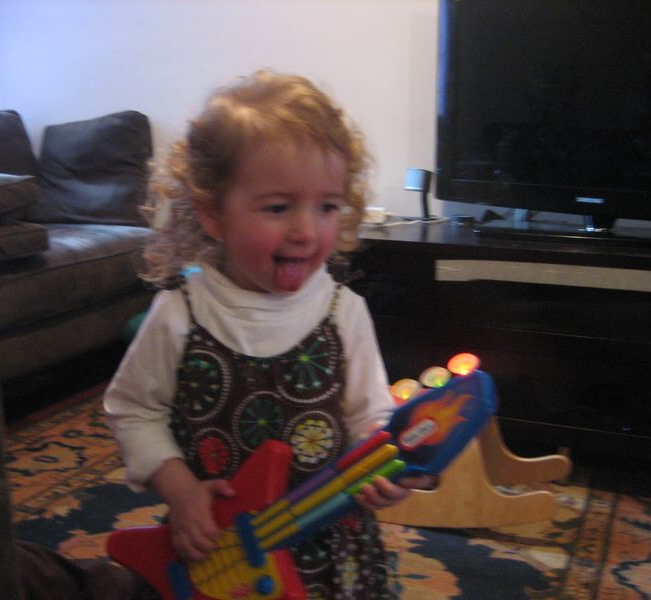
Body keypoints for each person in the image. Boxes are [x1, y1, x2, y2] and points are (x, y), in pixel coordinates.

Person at [104, 70, 430, 598]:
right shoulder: (180, 313)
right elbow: (133, 409)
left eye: (327, 207)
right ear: (213, 213)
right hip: (219, 553)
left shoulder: (344, 312)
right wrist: (180, 490)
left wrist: (381, 467)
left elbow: (369, 416)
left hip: (328, 551)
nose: (306, 230)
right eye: (278, 208)